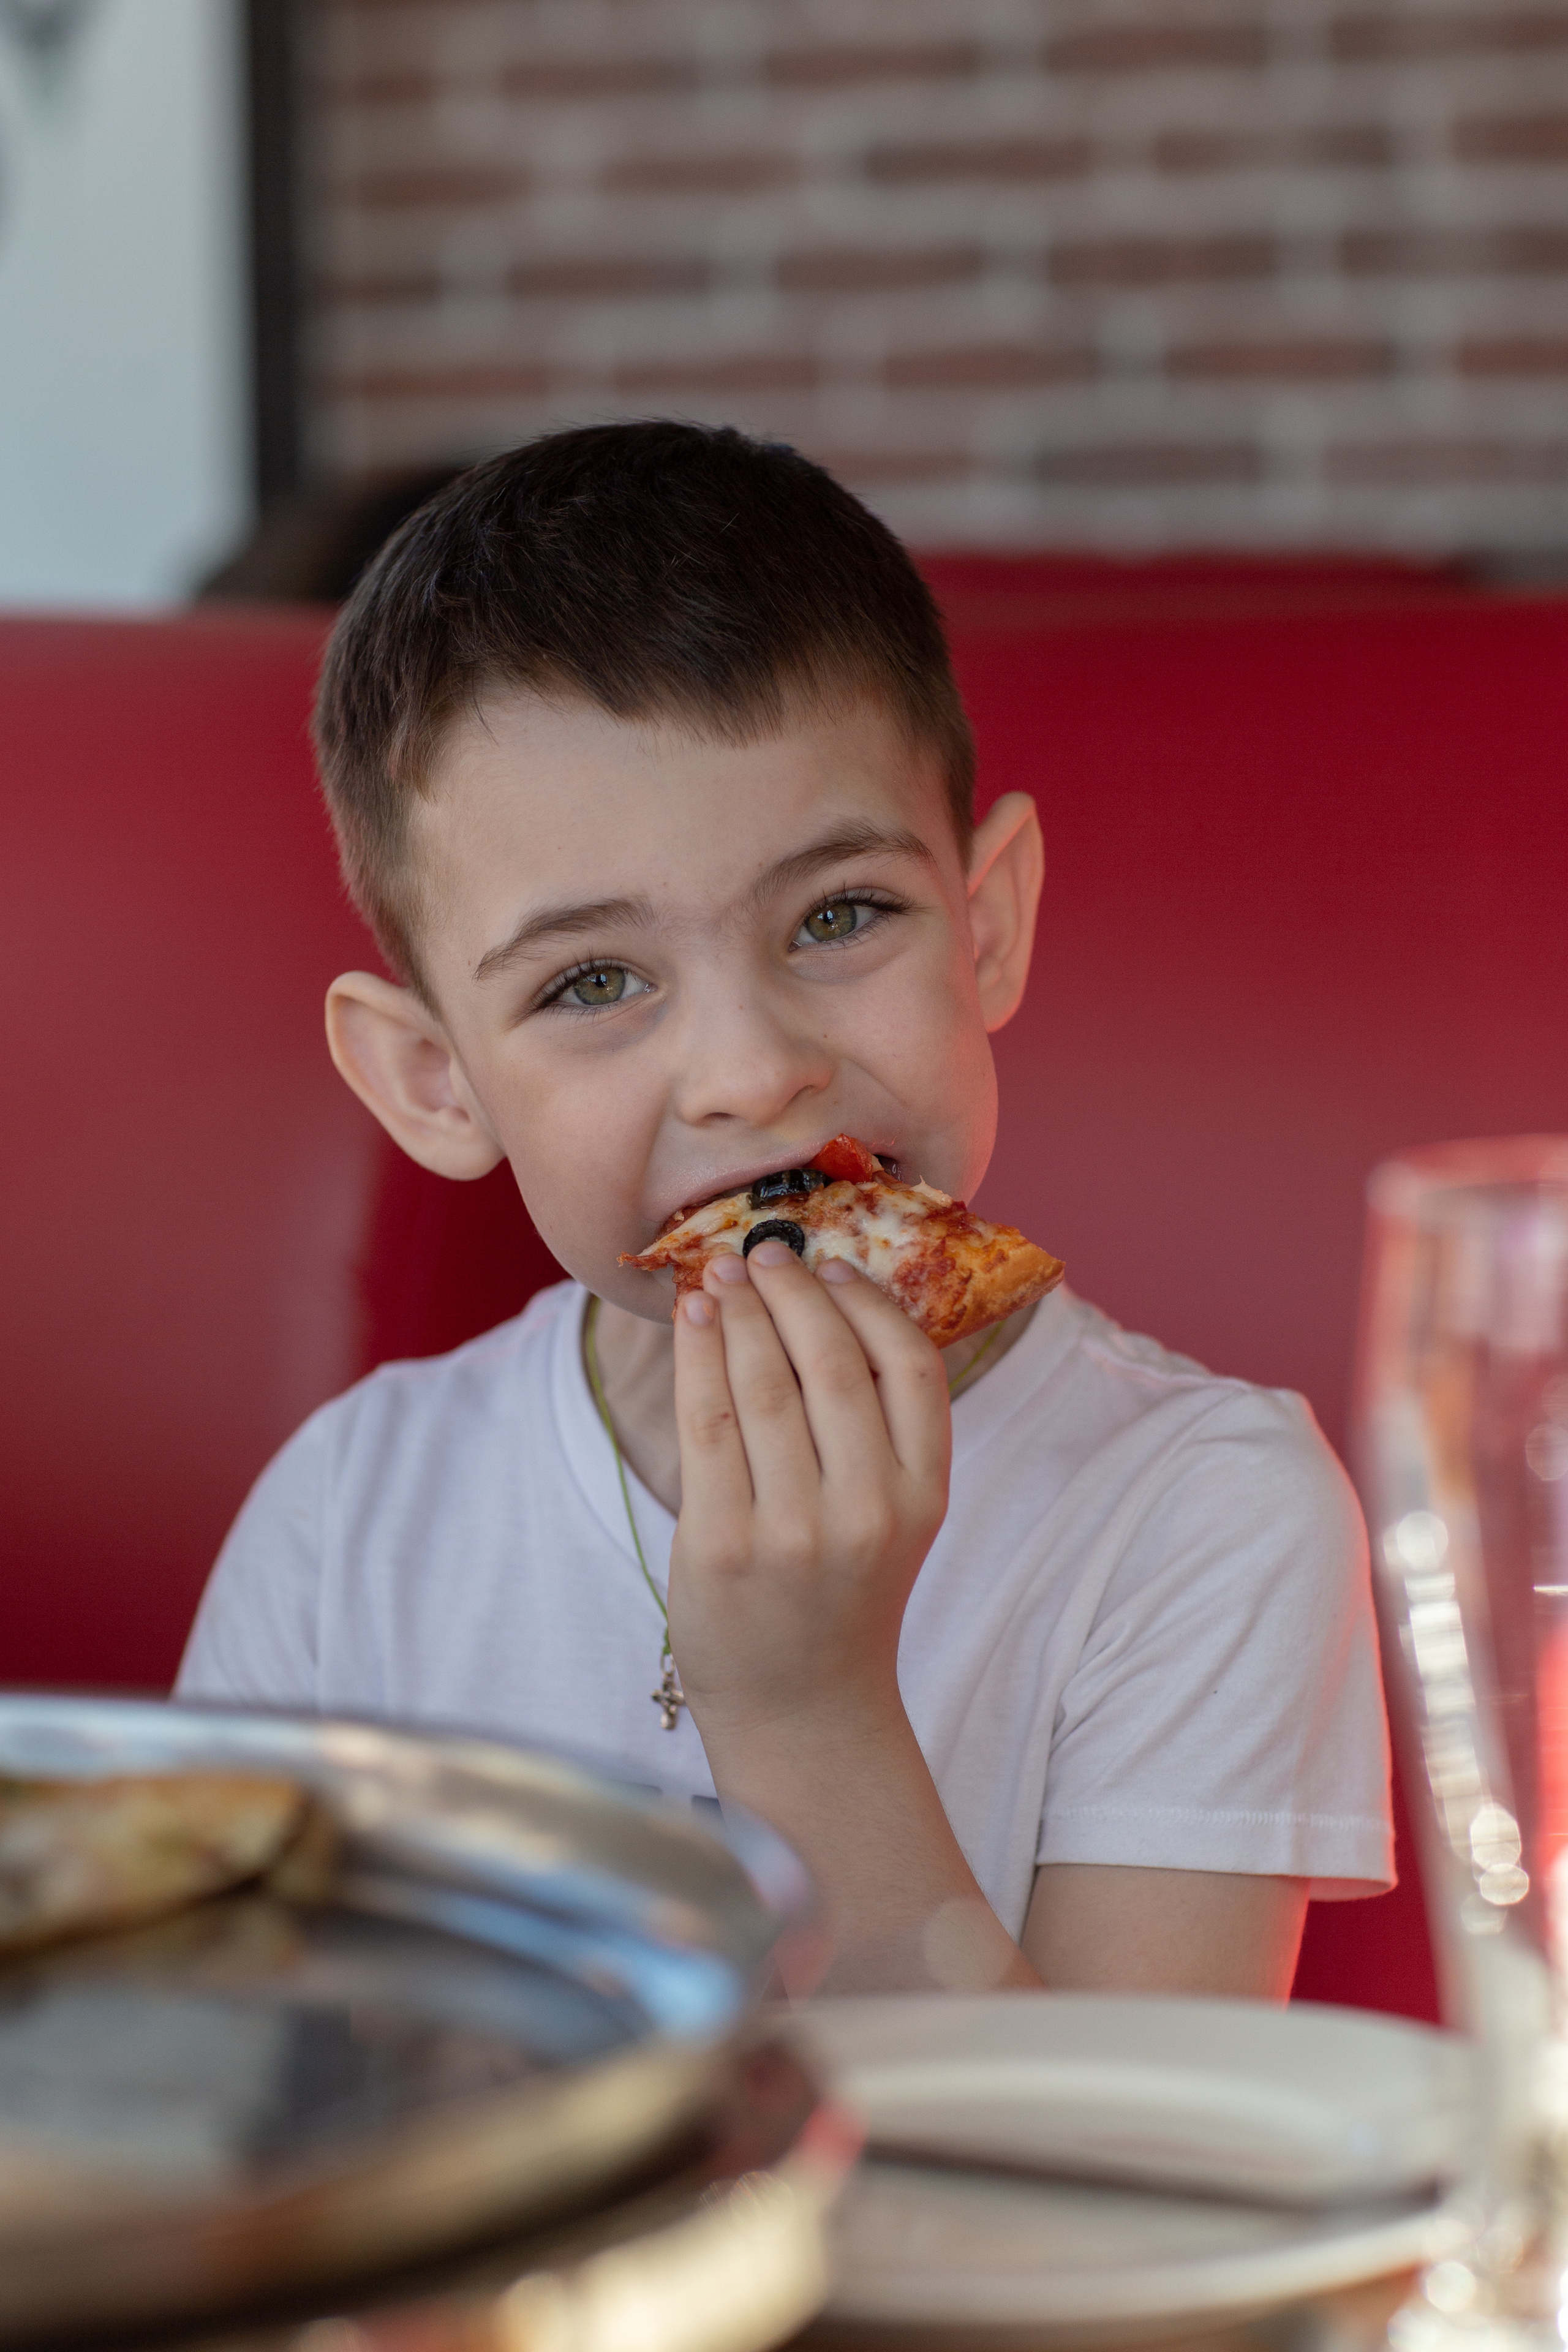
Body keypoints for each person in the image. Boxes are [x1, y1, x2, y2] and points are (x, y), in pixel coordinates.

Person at [178, 421, 1392, 1997]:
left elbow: (1119, 2152)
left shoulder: (1201, 1509)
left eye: (839, 915)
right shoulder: (349, 1518)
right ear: (435, 1084)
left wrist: (803, 1713)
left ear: (986, 926)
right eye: (592, 983)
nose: (753, 1072)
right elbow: (228, 2071)